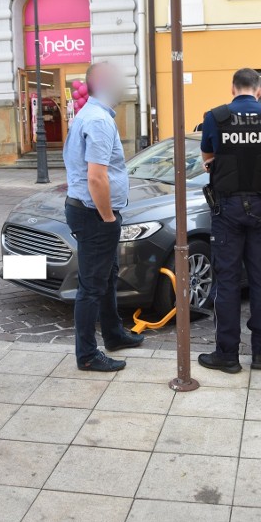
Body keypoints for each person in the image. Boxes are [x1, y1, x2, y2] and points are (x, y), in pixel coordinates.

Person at [198, 68, 261, 373]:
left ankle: (227, 355)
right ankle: (260, 353)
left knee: (228, 281)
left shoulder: (215, 117)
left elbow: (207, 156)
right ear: (259, 90)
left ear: (233, 88)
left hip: (228, 208)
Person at [63, 62, 144, 372]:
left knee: (107, 277)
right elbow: (96, 177)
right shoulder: (98, 121)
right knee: (92, 287)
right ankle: (86, 354)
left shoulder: (90, 115)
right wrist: (108, 217)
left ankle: (113, 334)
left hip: (90, 212)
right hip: (96, 215)